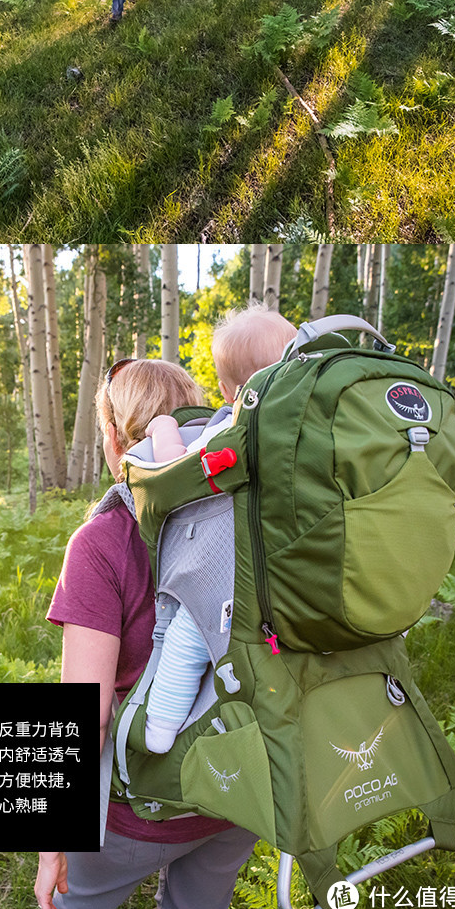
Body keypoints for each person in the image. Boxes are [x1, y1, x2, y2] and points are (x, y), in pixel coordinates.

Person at [35, 357, 258, 909]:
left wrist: (51, 844)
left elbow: (90, 716)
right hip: (235, 789)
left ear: (114, 436)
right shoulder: (251, 516)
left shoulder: (101, 542)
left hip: (138, 811)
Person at [144, 305, 298, 754]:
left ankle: (161, 725)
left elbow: (177, 468)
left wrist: (165, 426)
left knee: (189, 633)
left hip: (237, 576)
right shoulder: (316, 428)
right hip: (302, 569)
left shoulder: (232, 429)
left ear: (231, 391)